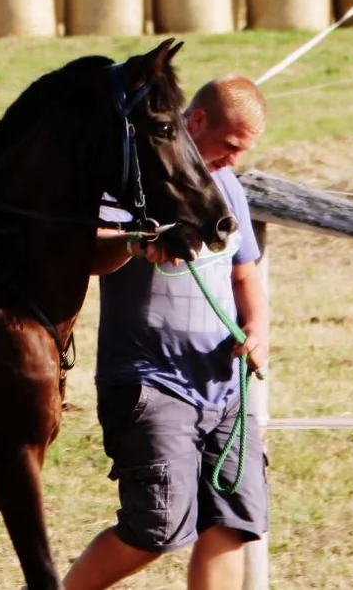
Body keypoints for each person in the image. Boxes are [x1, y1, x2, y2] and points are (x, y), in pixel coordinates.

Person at [66, 75, 272, 590]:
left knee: (232, 522)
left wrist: (258, 330)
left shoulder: (227, 187)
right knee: (156, 528)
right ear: (196, 121)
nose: (234, 160)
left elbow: (245, 273)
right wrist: (137, 243)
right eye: (230, 145)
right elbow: (86, 252)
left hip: (226, 387)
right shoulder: (137, 179)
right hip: (152, 383)